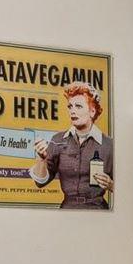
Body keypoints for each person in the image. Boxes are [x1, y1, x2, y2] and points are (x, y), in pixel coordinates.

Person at [27, 80, 112, 210]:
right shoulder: (58, 139)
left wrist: (111, 185)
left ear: (92, 111)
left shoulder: (109, 145)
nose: (72, 111)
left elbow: (130, 189)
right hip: (67, 212)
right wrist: (42, 159)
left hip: (98, 213)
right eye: (70, 106)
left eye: (78, 106)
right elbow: (39, 183)